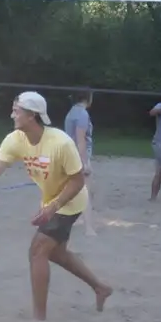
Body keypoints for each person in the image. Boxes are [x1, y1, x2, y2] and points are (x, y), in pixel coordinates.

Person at [0, 92, 113, 320]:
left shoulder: (61, 142)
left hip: (70, 201)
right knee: (57, 254)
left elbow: (77, 181)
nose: (11, 114)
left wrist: (53, 207)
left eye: (17, 110)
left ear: (32, 115)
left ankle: (39, 319)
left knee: (37, 251)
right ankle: (100, 287)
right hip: (50, 201)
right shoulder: (15, 140)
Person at [64, 88, 97, 237]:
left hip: (69, 155)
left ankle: (73, 220)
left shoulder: (72, 112)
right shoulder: (82, 114)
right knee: (85, 193)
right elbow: (80, 140)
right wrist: (85, 163)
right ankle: (89, 228)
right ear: (87, 98)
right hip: (77, 157)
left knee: (73, 191)